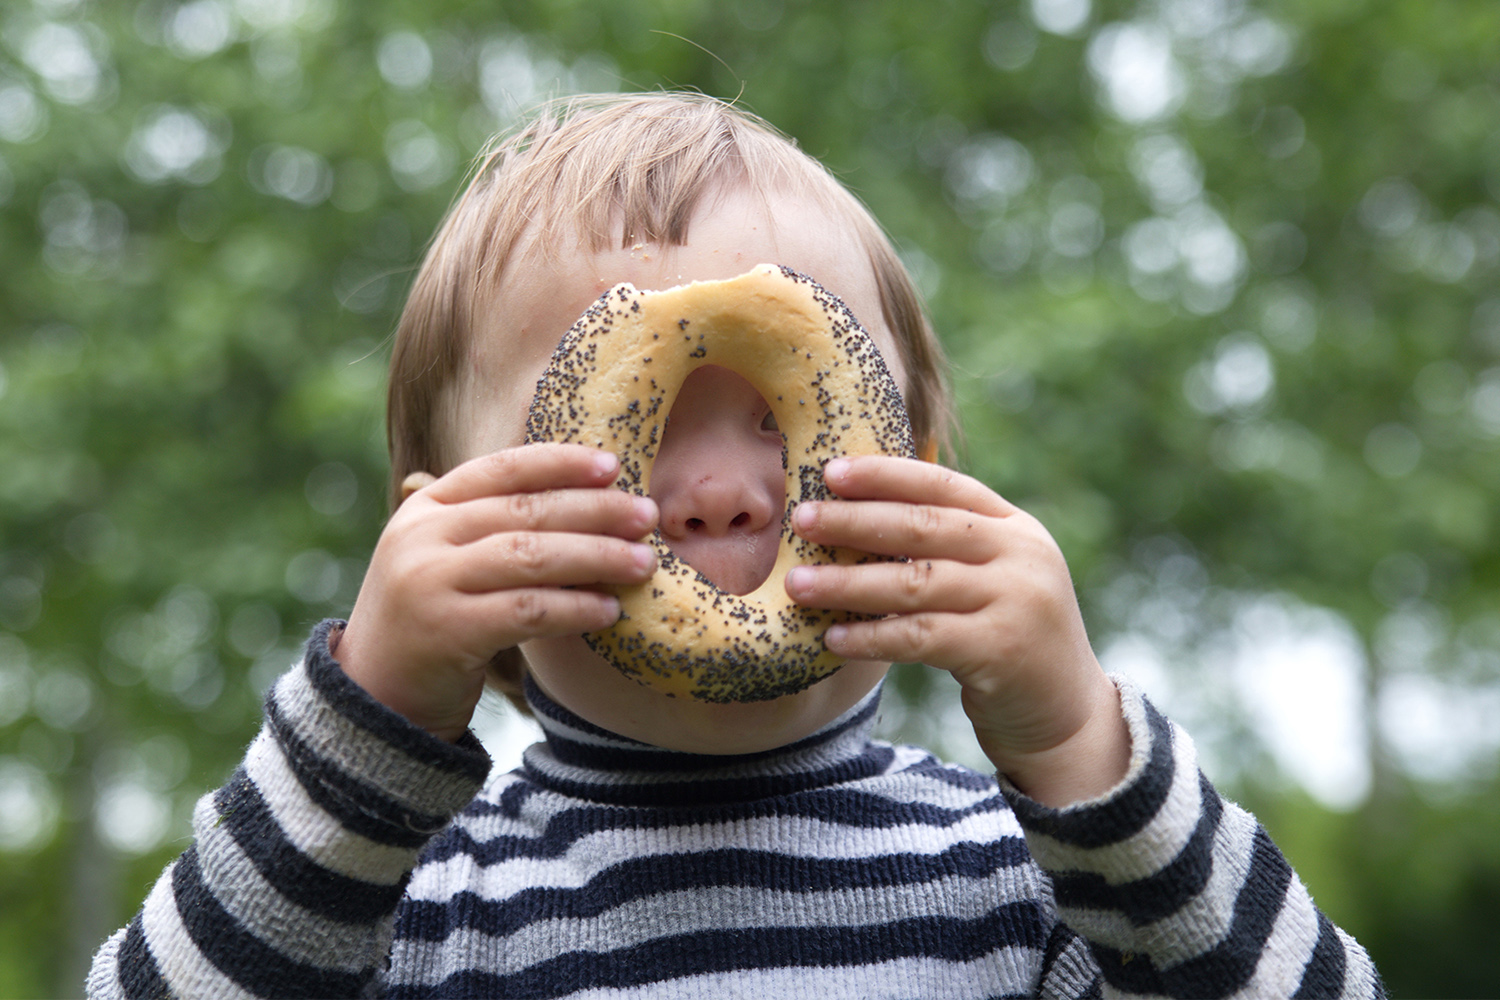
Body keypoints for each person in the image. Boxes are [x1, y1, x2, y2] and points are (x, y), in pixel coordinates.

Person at [88, 92, 1383, 999]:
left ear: (928, 498)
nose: (716, 494)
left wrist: (1077, 745)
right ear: (441, 538)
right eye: (630, 428)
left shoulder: (1025, 882)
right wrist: (367, 716)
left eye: (779, 422)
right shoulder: (402, 912)